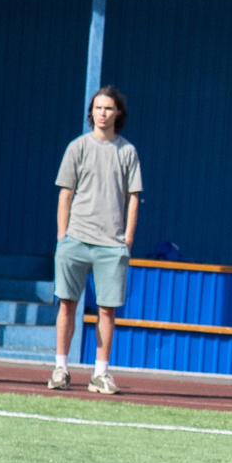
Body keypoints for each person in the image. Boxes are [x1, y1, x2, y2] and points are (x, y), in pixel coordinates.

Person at [51, 86, 143, 395]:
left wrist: (127, 239)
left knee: (107, 310)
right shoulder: (77, 147)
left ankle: (100, 373)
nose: (103, 113)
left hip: (111, 245)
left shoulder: (127, 152)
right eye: (98, 108)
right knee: (67, 305)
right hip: (75, 239)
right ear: (91, 112)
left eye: (108, 108)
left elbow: (133, 197)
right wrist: (63, 237)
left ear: (118, 113)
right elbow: (65, 193)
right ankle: (61, 368)